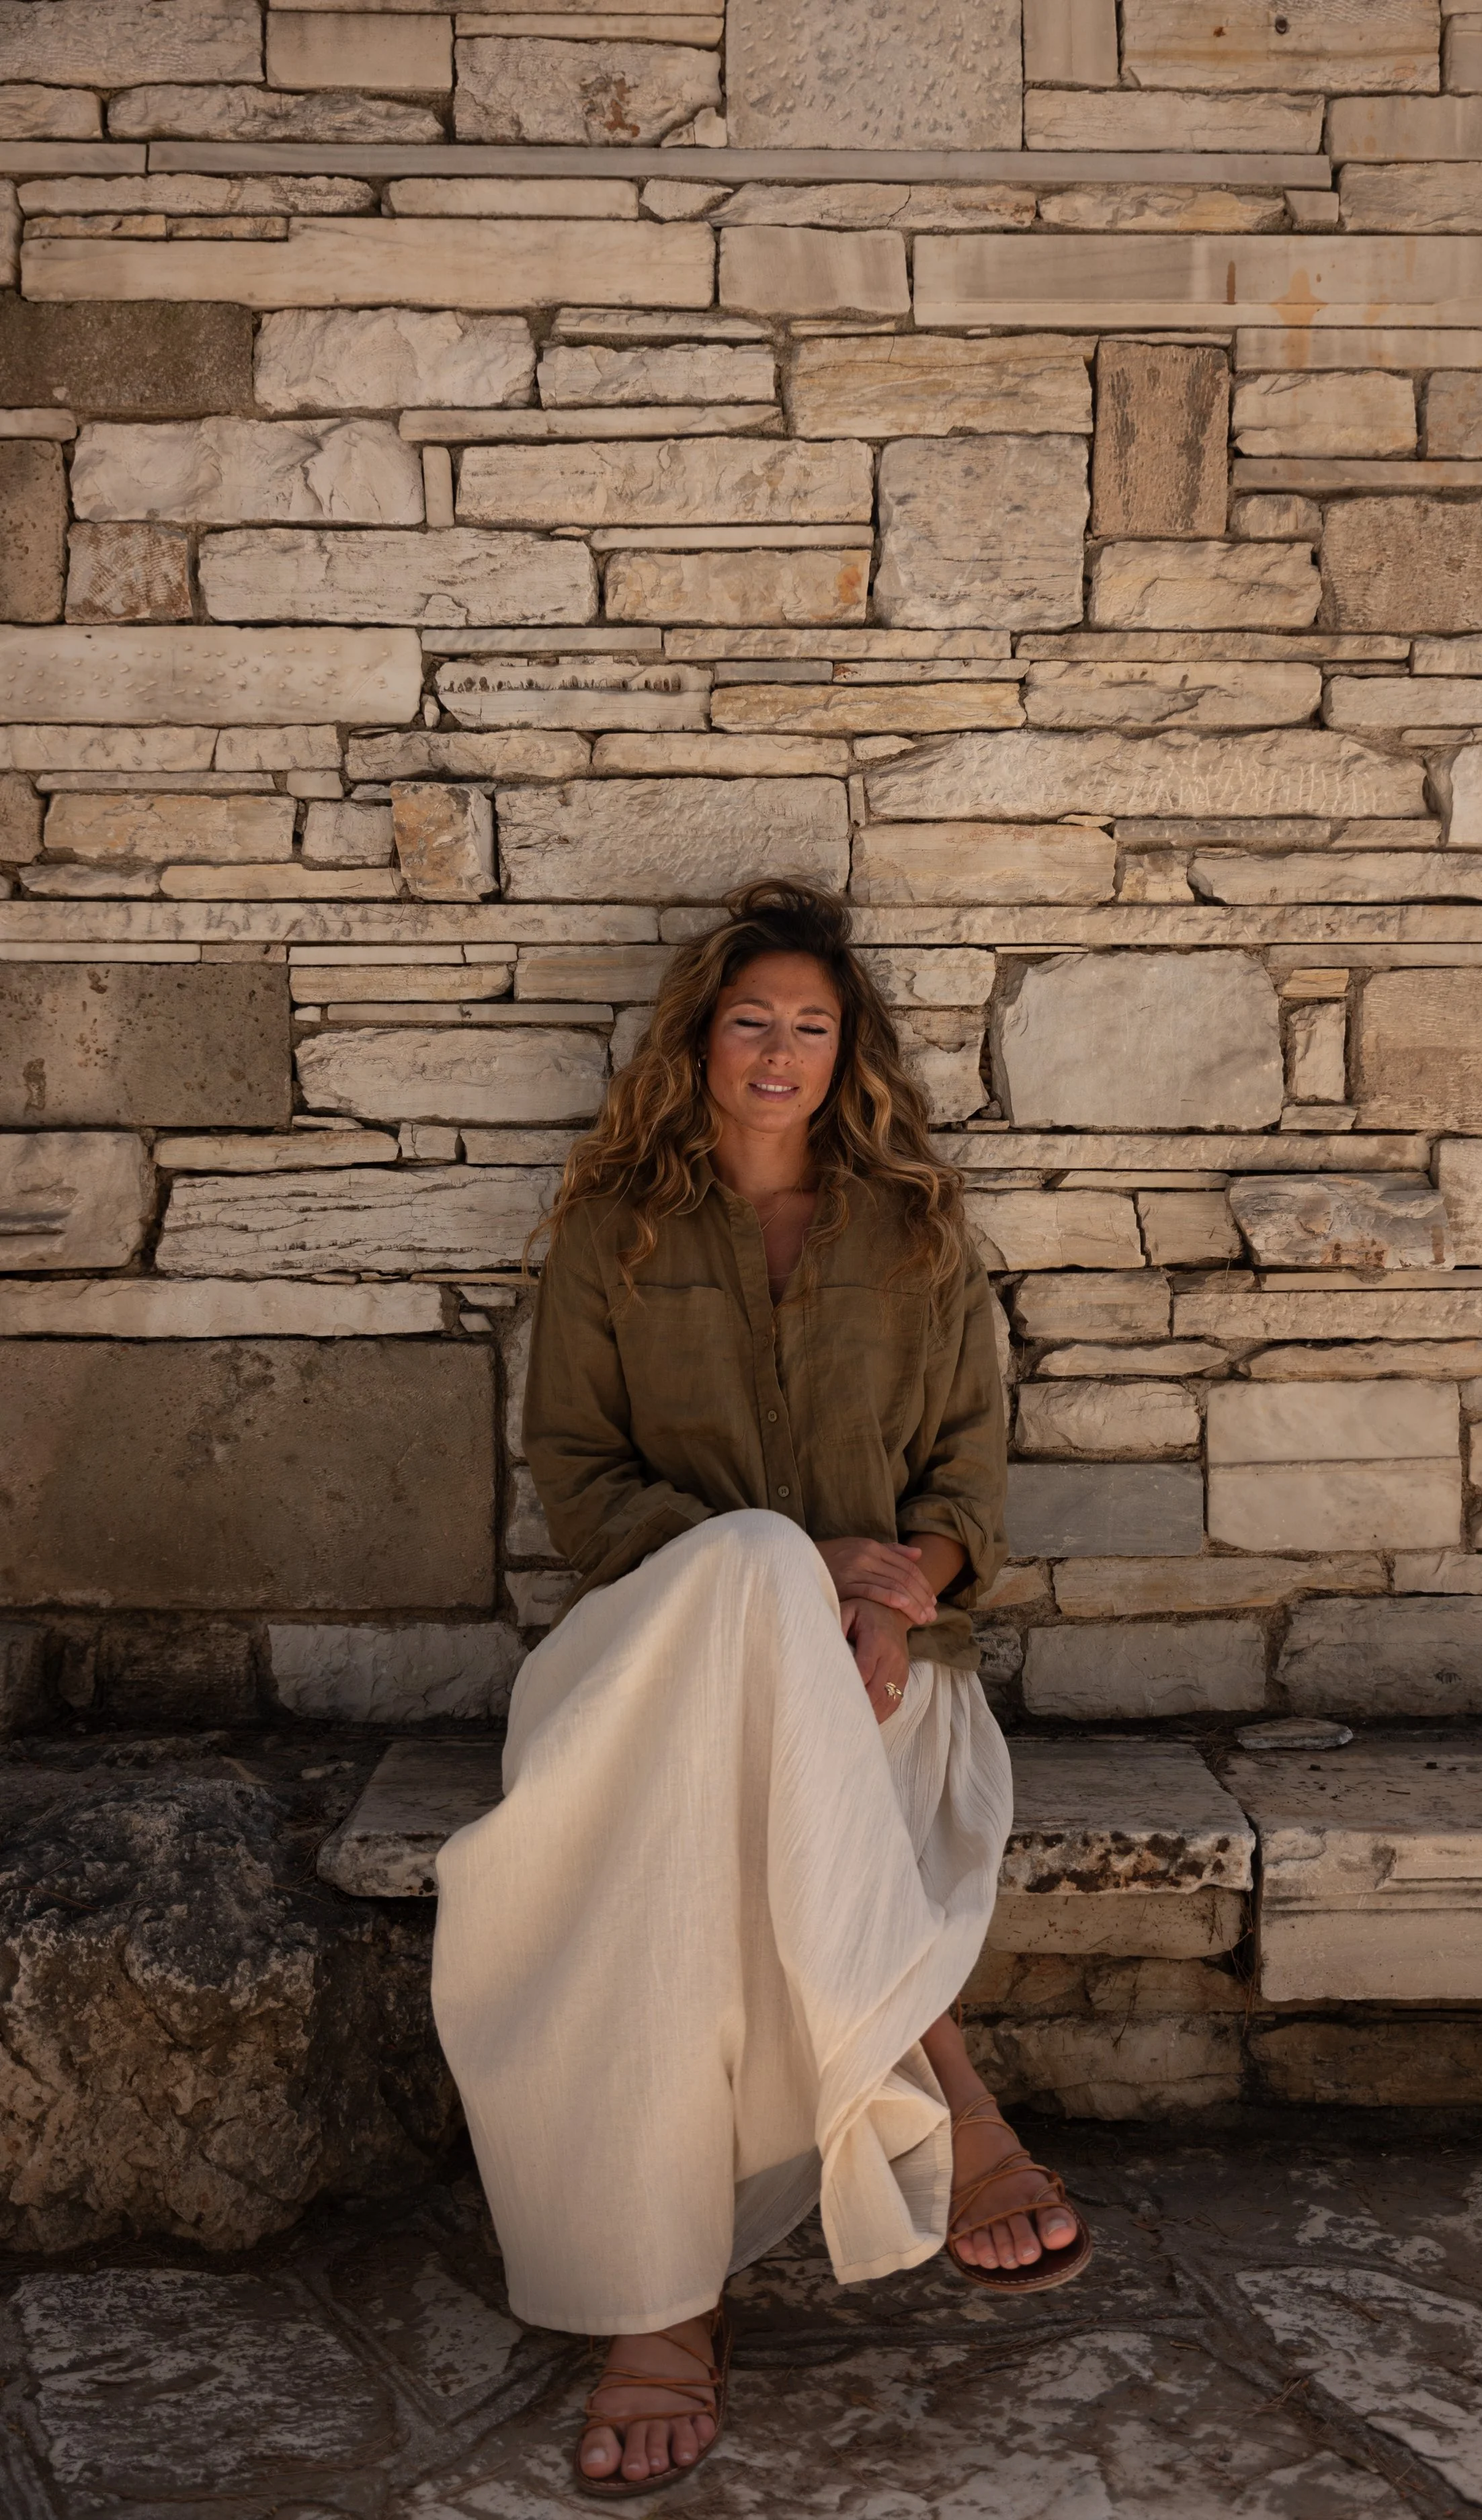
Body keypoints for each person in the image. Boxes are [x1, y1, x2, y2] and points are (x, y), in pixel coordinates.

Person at [431, 877, 1089, 2498]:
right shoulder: (611, 1232)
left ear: (845, 1046)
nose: (779, 1050)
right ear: (700, 1044)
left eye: (810, 1023)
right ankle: (957, 2101)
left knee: (727, 1832)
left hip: (884, 1670)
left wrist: (903, 1587)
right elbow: (579, 1483)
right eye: (749, 1021)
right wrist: (800, 1581)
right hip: (646, 1667)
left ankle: (661, 2314)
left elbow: (968, 1490)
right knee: (736, 1565)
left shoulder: (918, 1233)